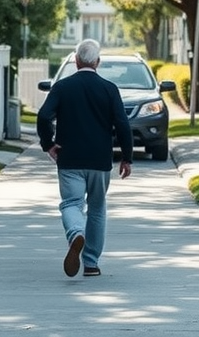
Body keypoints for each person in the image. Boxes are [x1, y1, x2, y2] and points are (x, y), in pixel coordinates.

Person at [37, 39, 133, 278]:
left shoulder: (62, 87)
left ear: (76, 61)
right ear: (97, 62)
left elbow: (43, 116)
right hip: (100, 161)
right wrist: (127, 158)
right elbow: (122, 125)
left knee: (71, 204)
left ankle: (76, 233)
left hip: (69, 158)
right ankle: (91, 263)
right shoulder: (109, 89)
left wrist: (48, 144)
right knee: (98, 208)